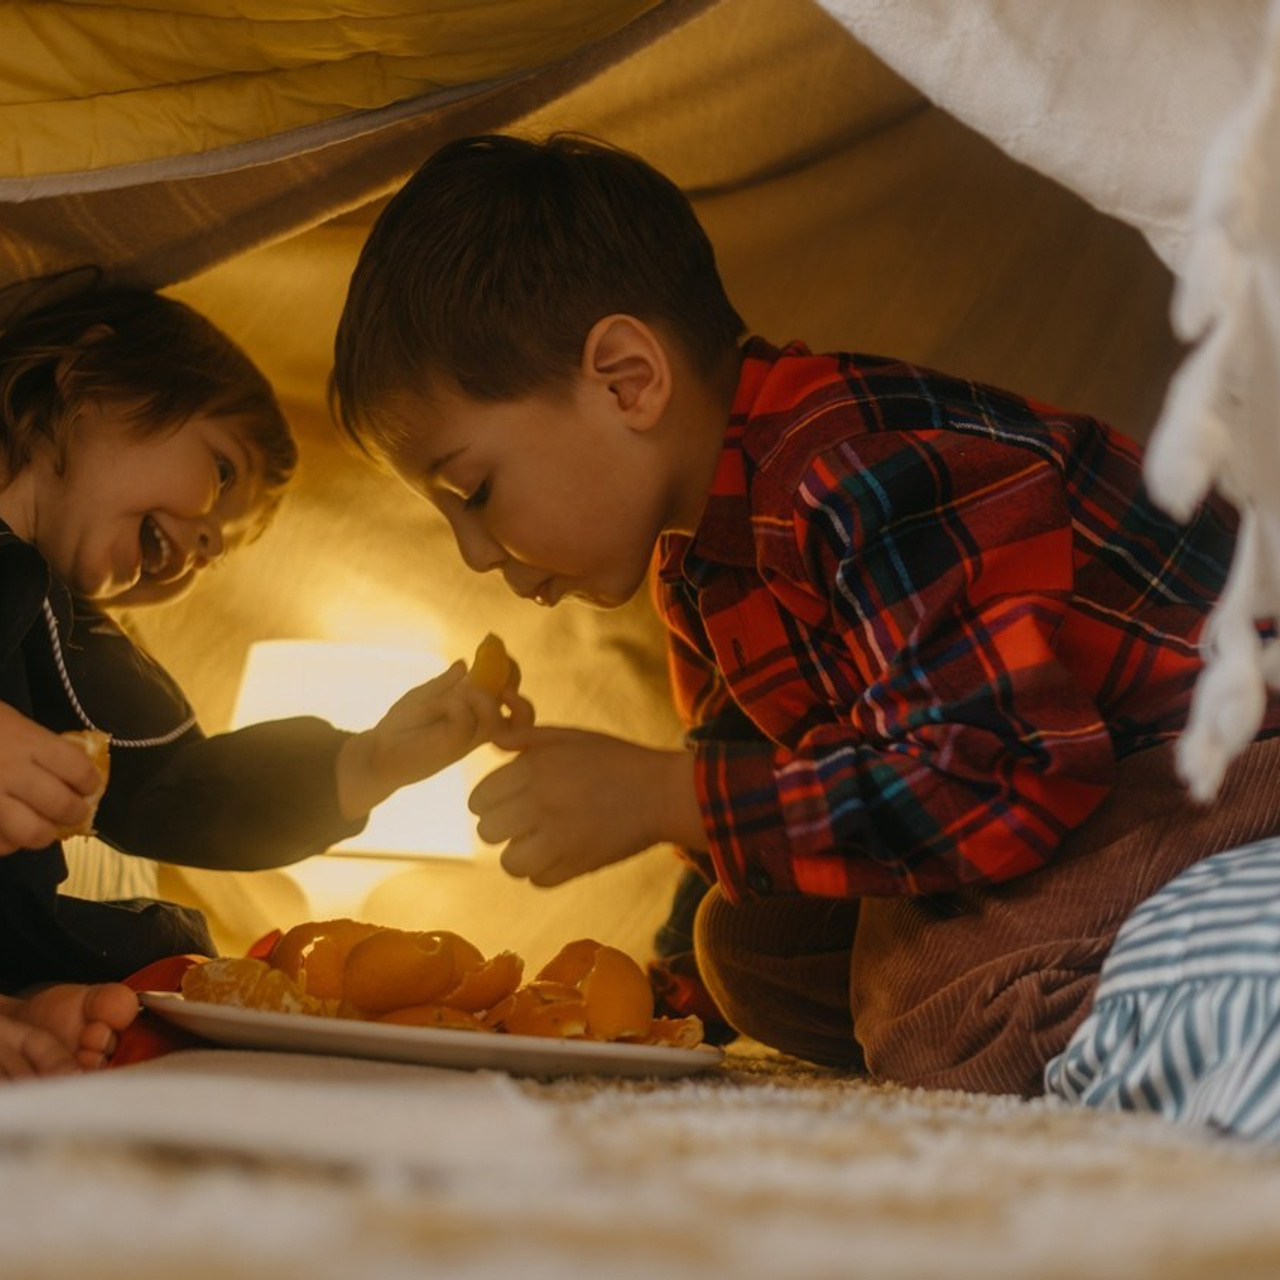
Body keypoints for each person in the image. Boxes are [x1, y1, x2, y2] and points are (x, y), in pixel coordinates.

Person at [328, 132, 1280, 1097]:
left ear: (627, 380)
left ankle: (1151, 1004)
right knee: (742, 947)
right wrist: (659, 987)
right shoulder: (697, 566)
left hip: (1211, 762)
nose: (476, 553)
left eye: (476, 492)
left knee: (937, 1002)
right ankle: (1005, 978)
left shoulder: (859, 469)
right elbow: (781, 780)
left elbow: (1005, 774)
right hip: (1056, 796)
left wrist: (669, 795)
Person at [0, 285, 530, 1080]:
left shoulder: (66, 634)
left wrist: (367, 761)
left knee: (172, 964)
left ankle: (26, 998)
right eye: (220, 469)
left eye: (220, 549)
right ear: (95, 380)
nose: (207, 544)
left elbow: (182, 789)